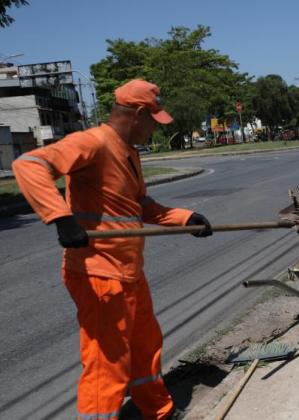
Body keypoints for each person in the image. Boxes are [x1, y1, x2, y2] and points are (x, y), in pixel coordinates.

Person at [12, 79, 213, 419]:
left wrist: (185, 219)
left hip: (129, 272)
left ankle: (158, 412)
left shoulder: (128, 151)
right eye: (153, 121)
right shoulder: (93, 142)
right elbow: (29, 165)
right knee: (107, 364)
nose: (154, 130)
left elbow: (138, 205)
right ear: (137, 114)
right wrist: (61, 218)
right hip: (99, 275)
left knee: (145, 348)